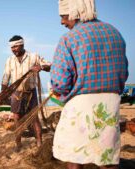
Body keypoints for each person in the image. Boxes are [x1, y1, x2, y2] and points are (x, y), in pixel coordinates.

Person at [51, 0, 129, 169]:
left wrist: (58, 91)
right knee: (107, 156)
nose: (62, 22)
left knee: (75, 155)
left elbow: (60, 83)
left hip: (80, 104)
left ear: (74, 12)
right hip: (110, 103)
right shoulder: (115, 33)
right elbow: (123, 74)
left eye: (63, 16)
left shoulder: (69, 38)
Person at [1, 35, 51, 151]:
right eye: (12, 47)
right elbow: (5, 77)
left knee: (34, 118)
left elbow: (49, 66)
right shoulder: (10, 60)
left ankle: (39, 142)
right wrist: (3, 93)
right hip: (16, 94)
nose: (14, 49)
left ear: (22, 45)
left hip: (31, 92)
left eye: (16, 46)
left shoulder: (34, 56)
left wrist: (41, 67)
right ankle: (18, 144)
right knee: (17, 118)